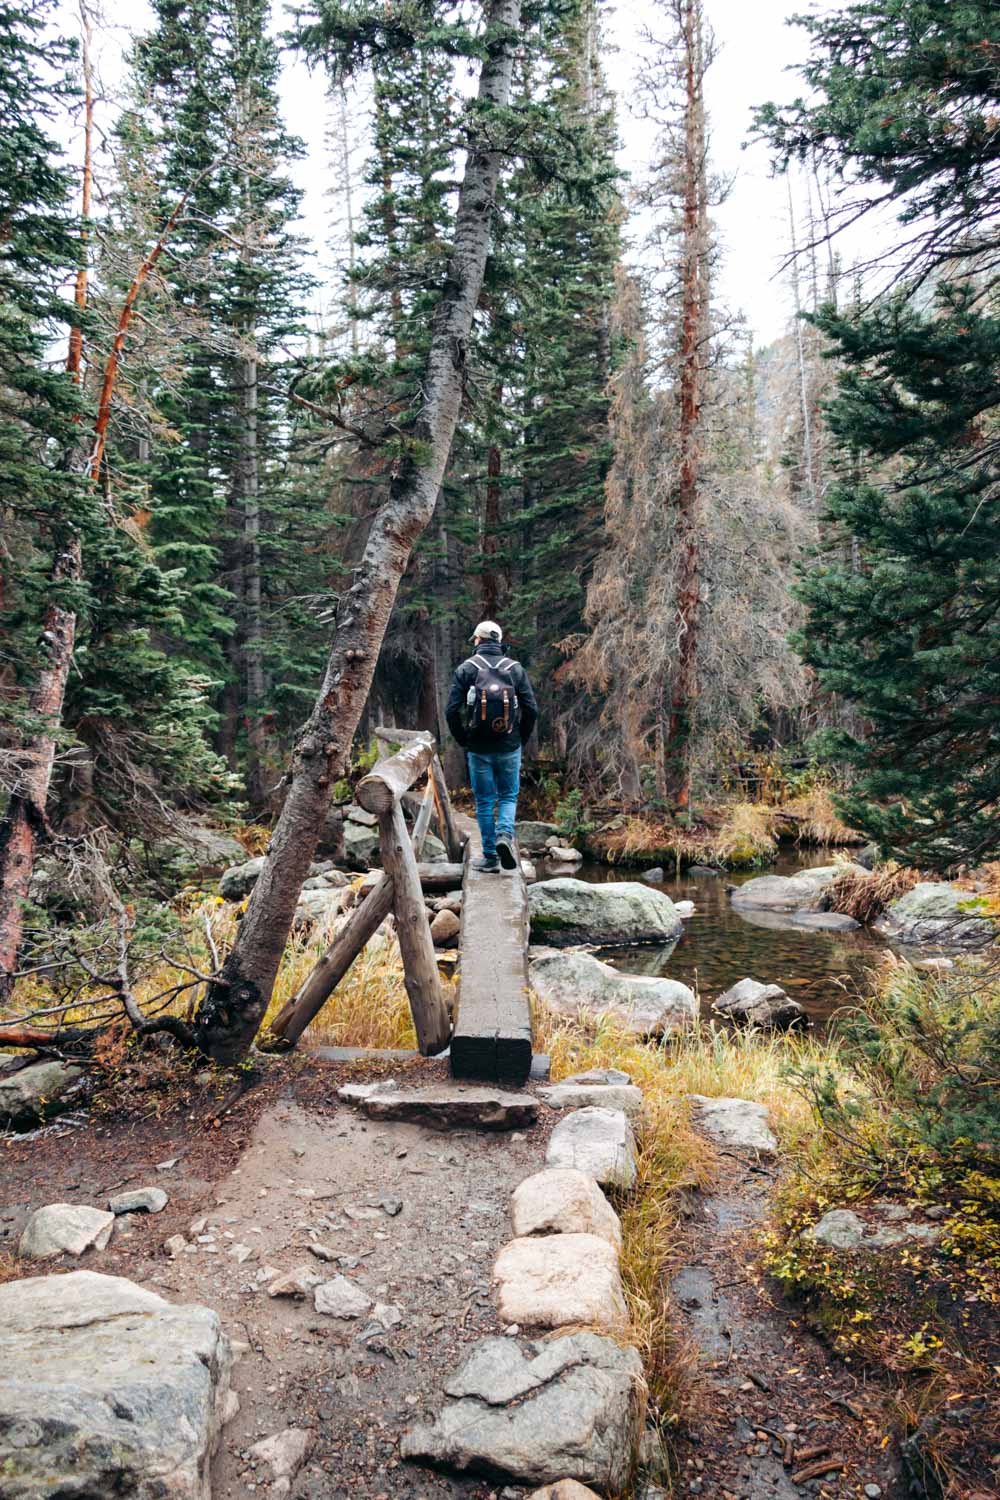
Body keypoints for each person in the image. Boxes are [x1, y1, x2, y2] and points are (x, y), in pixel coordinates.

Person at [445, 621, 537, 872]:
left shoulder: (466, 668)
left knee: (485, 801)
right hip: (509, 745)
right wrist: (521, 739)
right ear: (498, 641)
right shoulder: (515, 669)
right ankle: (504, 836)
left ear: (478, 640)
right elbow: (532, 710)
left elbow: (451, 711)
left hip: (479, 748)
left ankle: (489, 857)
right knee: (508, 796)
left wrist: (465, 740)